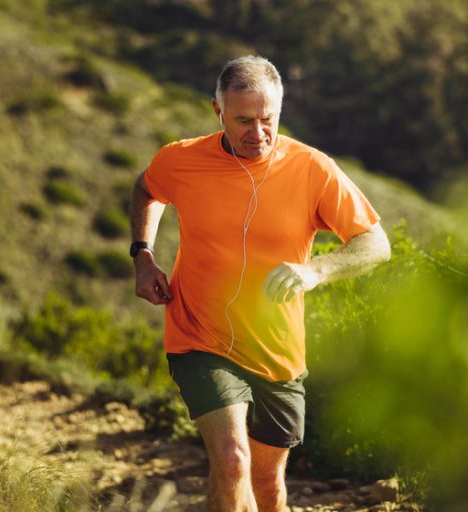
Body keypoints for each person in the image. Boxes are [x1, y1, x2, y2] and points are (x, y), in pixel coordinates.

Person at [130, 55, 390, 512]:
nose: (258, 133)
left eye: (268, 119)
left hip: (276, 352)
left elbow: (376, 243)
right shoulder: (181, 159)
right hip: (200, 338)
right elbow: (146, 190)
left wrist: (315, 271)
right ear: (218, 111)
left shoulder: (312, 168)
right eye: (243, 120)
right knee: (233, 462)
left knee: (268, 487)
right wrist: (143, 256)